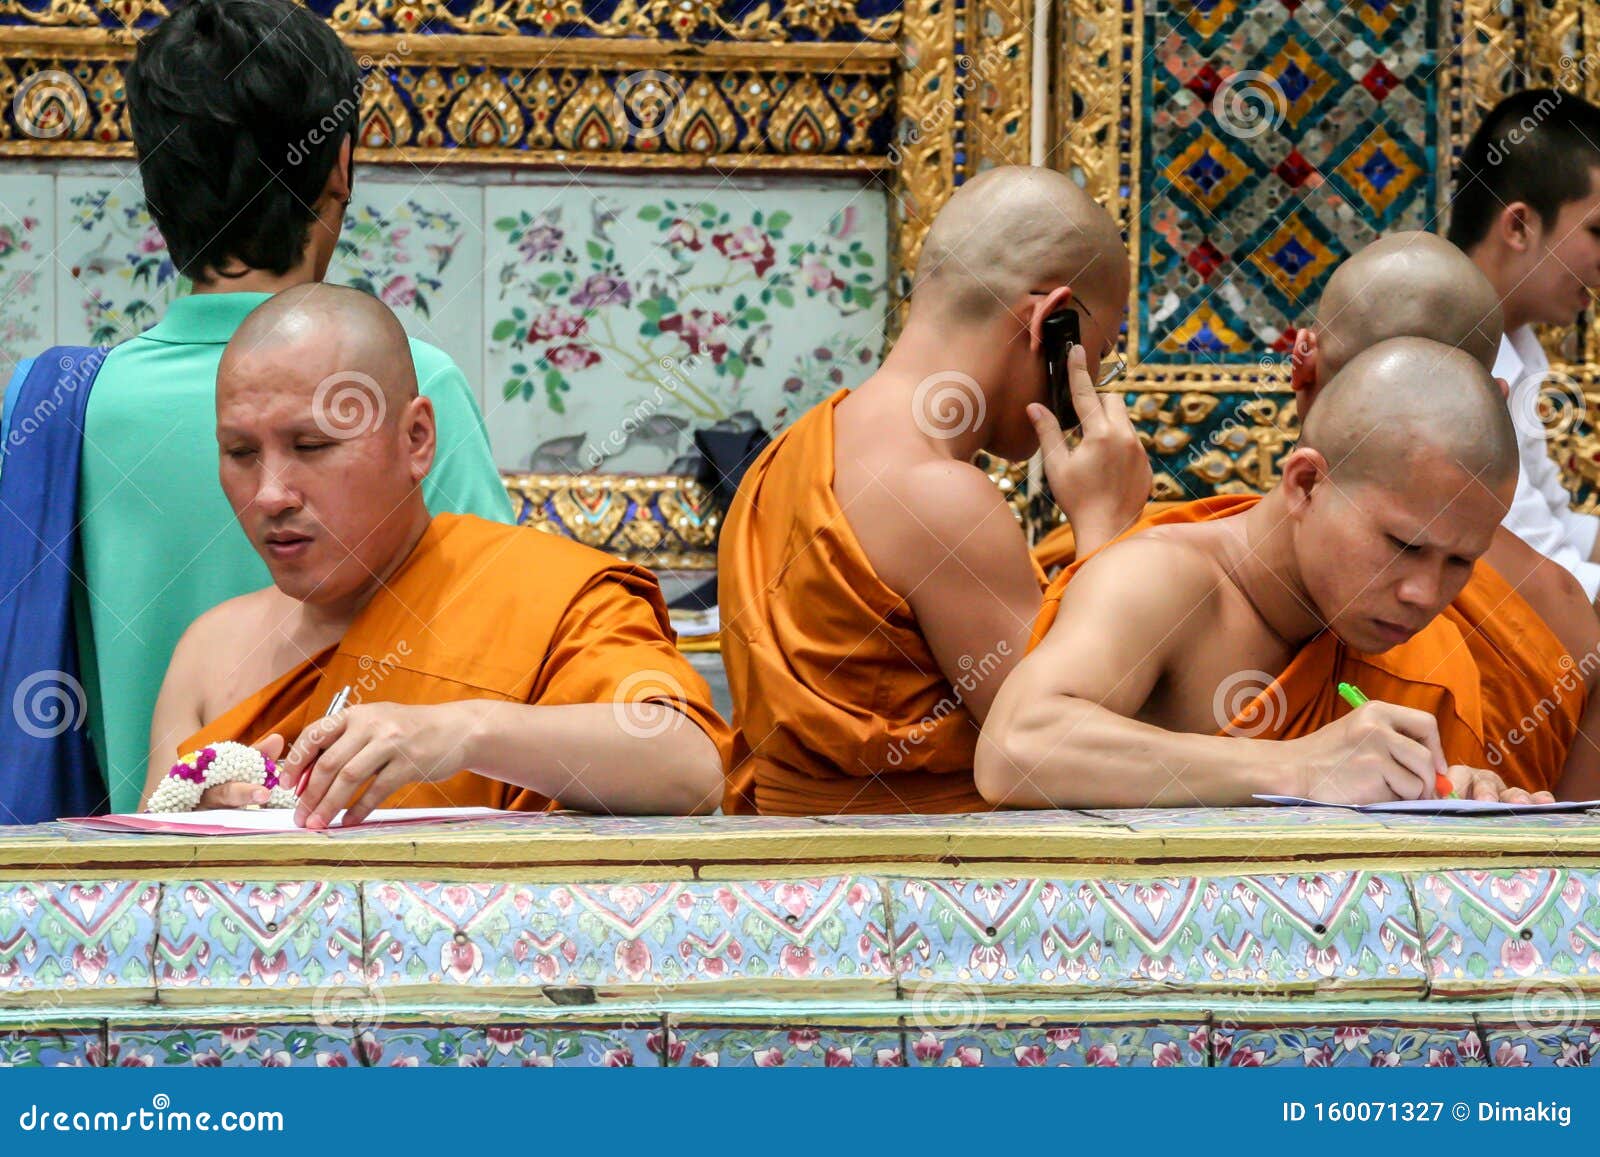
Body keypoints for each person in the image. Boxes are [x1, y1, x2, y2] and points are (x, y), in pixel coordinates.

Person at [0, 0, 510, 820]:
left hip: (142, 899)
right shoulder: (414, 388)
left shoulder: (54, 406)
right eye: (241, 452)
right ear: (339, 164)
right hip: (377, 890)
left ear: (154, 181)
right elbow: (504, 648)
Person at [143, 287, 727, 824]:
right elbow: (146, 877)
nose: (270, 494)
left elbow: (690, 769)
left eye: (312, 446)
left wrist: (465, 730)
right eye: (240, 452)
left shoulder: (544, 594)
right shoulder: (208, 652)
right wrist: (202, 807)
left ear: (416, 439)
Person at [717, 165, 1150, 815]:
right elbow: (1068, 748)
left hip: (792, 878)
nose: (1094, 382)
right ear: (1051, 324)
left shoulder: (786, 457)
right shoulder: (940, 495)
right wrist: (1105, 530)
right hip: (925, 890)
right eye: (1099, 351)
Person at [978, 337, 1549, 808]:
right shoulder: (1166, 578)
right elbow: (1016, 747)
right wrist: (1299, 767)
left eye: (1460, 561)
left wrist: (1447, 794)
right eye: (1402, 545)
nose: (1424, 594)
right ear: (1306, 484)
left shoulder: (1378, 638)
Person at [1449, 89, 1600, 605]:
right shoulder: (1446, 348)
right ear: (1517, 225)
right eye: (1598, 232)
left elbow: (1553, 522)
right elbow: (1543, 584)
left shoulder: (1515, 341)